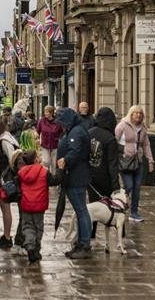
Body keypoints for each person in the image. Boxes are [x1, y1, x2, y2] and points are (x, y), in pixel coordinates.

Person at [55, 106, 93, 259]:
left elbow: (75, 150)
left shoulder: (76, 132)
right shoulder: (75, 129)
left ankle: (84, 243)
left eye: (62, 122)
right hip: (76, 175)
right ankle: (82, 242)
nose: (61, 125)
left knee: (81, 210)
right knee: (80, 210)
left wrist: (65, 160)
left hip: (76, 176)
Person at [14, 149, 62, 263]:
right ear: (36, 159)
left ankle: (29, 246)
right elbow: (55, 180)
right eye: (39, 155)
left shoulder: (21, 173)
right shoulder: (44, 172)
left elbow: (17, 186)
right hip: (39, 206)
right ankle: (36, 249)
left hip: (26, 205)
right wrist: (60, 170)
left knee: (27, 227)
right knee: (38, 228)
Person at [115, 105, 155, 222]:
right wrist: (123, 151)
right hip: (125, 161)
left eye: (140, 113)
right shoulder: (122, 125)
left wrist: (151, 160)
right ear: (131, 114)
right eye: (136, 113)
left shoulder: (142, 128)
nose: (138, 115)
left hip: (138, 161)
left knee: (137, 187)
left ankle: (134, 213)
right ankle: (119, 204)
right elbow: (114, 141)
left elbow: (146, 144)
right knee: (129, 186)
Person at [0, 117, 19, 249]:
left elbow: (13, 157)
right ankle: (7, 236)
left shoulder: (4, 141)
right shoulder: (8, 137)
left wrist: (8, 175)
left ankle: (7, 237)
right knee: (5, 208)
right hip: (5, 178)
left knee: (5, 208)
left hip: (4, 179)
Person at [87, 106, 121, 203]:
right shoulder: (110, 138)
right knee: (106, 206)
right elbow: (112, 164)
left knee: (93, 204)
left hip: (90, 175)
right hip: (105, 177)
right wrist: (116, 186)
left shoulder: (89, 133)